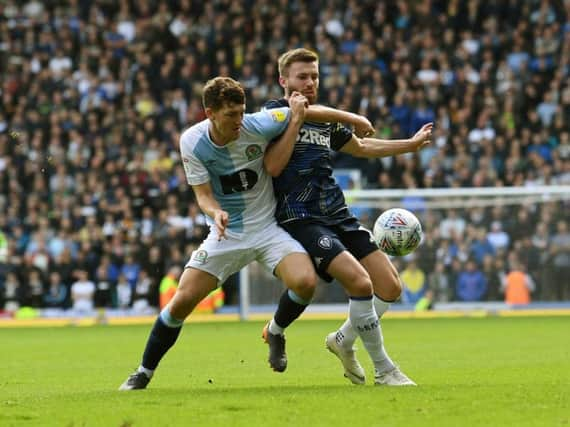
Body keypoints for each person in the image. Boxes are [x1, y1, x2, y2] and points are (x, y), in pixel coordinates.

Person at [119, 77, 370, 390]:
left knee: (306, 283)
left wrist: (354, 118)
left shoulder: (258, 124)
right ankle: (143, 372)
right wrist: (215, 213)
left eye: (241, 112)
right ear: (209, 113)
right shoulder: (192, 142)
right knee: (182, 301)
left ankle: (275, 331)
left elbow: (302, 109)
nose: (239, 121)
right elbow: (203, 195)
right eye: (230, 115)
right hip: (228, 234)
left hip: (268, 228)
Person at [264, 48, 433, 386]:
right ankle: (385, 370)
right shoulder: (274, 114)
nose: (310, 83)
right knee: (359, 283)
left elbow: (360, 147)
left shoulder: (325, 122)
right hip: (301, 218)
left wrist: (409, 145)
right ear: (283, 80)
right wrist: (349, 116)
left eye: (314, 76)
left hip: (337, 214)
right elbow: (272, 167)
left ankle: (342, 340)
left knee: (389, 287)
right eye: (302, 76)